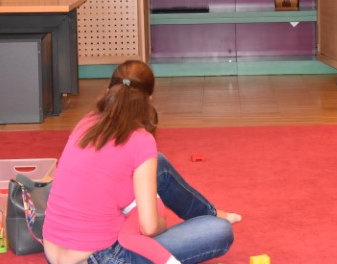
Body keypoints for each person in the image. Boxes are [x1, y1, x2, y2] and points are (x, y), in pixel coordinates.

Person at [43, 60, 241, 264]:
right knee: (220, 231)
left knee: (158, 164)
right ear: (149, 99)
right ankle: (213, 217)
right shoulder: (141, 140)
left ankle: (210, 213)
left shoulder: (87, 122)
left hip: (53, 251)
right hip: (103, 256)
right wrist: (161, 222)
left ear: (109, 91)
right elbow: (149, 228)